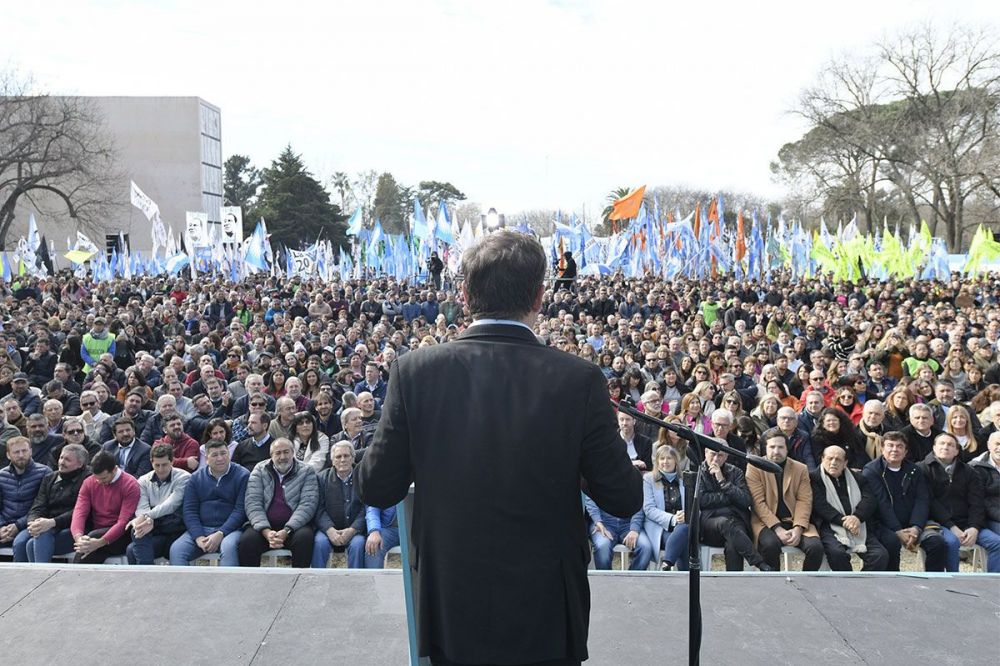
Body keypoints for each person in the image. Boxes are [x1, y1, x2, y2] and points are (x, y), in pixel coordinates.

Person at [357, 230, 641, 666]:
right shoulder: (578, 380)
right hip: (545, 609)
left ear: (465, 295)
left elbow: (377, 486)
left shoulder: (415, 373)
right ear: (540, 297)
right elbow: (623, 495)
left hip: (452, 602)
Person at [862, 431, 946, 571]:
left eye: (899, 446)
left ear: (906, 451)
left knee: (936, 542)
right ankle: (894, 582)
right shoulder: (872, 471)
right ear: (882, 448)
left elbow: (922, 500)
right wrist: (897, 530)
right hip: (883, 525)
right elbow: (882, 503)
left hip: (913, 524)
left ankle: (933, 581)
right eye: (890, 445)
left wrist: (916, 527)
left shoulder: (914, 470)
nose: (894, 450)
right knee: (891, 542)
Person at [746, 429, 824, 571]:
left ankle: (807, 585)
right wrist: (777, 528)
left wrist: (798, 528)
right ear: (765, 448)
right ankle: (774, 586)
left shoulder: (800, 469)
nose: (776, 451)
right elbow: (758, 503)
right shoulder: (754, 467)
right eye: (772, 447)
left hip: (795, 521)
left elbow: (804, 500)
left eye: (781, 447)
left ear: (787, 448)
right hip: (766, 523)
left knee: (815, 548)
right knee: (770, 546)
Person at [917, 432, 992, 573]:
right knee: (952, 542)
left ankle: (994, 581)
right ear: (934, 447)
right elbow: (930, 502)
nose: (946, 447)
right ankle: (953, 580)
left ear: (957, 451)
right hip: (940, 523)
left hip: (968, 524)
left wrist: (974, 527)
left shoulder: (969, 471)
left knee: (996, 543)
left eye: (951, 445)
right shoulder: (922, 469)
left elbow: (977, 502)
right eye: (942, 443)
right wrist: (952, 527)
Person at [239, 437, 319, 568]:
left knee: (304, 538)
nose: (282, 456)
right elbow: (253, 503)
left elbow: (308, 504)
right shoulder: (259, 469)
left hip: (295, 527)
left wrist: (286, 530)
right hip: (264, 527)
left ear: (293, 453)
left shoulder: (306, 471)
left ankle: (298, 583)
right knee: (247, 541)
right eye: (278, 453)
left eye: (286, 452)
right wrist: (266, 531)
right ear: (271, 455)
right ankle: (250, 584)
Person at [168, 439, 249, 566]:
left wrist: (221, 533)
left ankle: (229, 585)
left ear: (229, 454)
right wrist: (198, 536)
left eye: (223, 453)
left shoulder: (243, 475)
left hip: (231, 530)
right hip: (202, 529)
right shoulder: (196, 478)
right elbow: (189, 510)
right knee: (177, 549)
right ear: (206, 459)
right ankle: (183, 586)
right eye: (215, 455)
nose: (220, 458)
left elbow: (240, 510)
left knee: (228, 548)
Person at [810, 445, 889, 571]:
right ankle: (848, 586)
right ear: (822, 459)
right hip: (829, 525)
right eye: (830, 458)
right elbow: (820, 505)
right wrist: (846, 522)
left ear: (845, 463)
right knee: (837, 554)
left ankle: (861, 586)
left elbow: (869, 500)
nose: (833, 463)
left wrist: (857, 517)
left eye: (838, 460)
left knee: (879, 555)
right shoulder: (813, 478)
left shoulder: (858, 478)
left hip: (858, 524)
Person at [697, 445, 771, 571]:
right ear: (705, 453)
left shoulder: (736, 472)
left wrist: (722, 482)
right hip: (709, 523)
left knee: (733, 545)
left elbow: (745, 500)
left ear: (726, 456)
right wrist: (729, 498)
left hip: (735, 521)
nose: (715, 459)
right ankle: (759, 563)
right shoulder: (699, 472)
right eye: (712, 454)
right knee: (724, 523)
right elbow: (702, 500)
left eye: (720, 455)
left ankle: (734, 584)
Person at [13, 443, 90, 562]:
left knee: (35, 540)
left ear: (80, 464)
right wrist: (33, 523)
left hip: (72, 526)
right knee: (22, 542)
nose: (61, 462)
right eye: (61, 457)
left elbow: (80, 511)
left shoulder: (88, 479)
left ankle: (40, 577)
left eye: (67, 460)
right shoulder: (50, 478)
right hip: (47, 524)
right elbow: (38, 505)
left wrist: (52, 522)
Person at [69, 450, 140, 564]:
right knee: (87, 544)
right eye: (96, 478)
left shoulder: (130, 484)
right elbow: (79, 512)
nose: (99, 482)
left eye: (104, 478)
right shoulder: (89, 482)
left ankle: (73, 577)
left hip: (121, 535)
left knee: (92, 539)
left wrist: (100, 542)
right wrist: (79, 538)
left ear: (115, 469)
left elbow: (123, 523)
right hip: (96, 533)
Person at [125, 443, 190, 565]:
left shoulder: (184, 478)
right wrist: (146, 520)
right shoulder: (143, 480)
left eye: (164, 464)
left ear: (172, 461)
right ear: (151, 462)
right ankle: (146, 576)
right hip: (155, 528)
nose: (160, 469)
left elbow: (172, 504)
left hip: (176, 529)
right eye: (157, 465)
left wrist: (148, 517)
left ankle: (146, 575)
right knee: (134, 540)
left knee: (135, 544)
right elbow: (141, 508)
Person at [312, 441, 367, 569]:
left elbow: (366, 508)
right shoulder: (321, 479)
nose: (343, 460)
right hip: (327, 531)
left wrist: (352, 530)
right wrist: (330, 530)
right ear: (332, 460)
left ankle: (356, 582)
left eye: (346, 456)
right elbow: (318, 508)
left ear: (353, 458)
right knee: (319, 543)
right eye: (338, 456)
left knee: (358, 545)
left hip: (355, 531)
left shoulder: (363, 477)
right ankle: (317, 581)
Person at [642, 444, 688, 570]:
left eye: (669, 458)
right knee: (684, 540)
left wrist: (686, 515)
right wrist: (673, 519)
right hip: (660, 528)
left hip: (684, 525)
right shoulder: (649, 479)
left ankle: (667, 563)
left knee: (684, 530)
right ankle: (688, 581)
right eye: (662, 459)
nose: (665, 462)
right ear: (657, 461)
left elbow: (695, 505)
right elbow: (649, 509)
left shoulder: (685, 479)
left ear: (676, 461)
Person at [0, 436, 50, 550]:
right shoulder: (1, 475)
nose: (21, 455)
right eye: (16, 452)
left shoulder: (44, 472)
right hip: (5, 525)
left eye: (24, 451)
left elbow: (43, 506)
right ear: (8, 455)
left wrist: (18, 525)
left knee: (19, 543)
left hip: (29, 524)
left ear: (31, 451)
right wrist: (1, 527)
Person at [584, 491, 651, 571]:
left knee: (645, 547)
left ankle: (632, 580)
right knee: (602, 546)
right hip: (604, 523)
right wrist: (598, 521)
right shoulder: (598, 478)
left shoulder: (632, 479)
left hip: (629, 524)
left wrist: (634, 529)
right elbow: (590, 498)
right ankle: (606, 581)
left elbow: (639, 503)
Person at [969, 431, 1000, 572]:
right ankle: (995, 582)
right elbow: (980, 500)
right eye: (997, 444)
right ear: (988, 445)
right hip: (987, 518)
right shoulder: (976, 467)